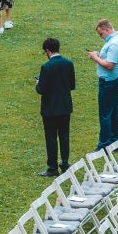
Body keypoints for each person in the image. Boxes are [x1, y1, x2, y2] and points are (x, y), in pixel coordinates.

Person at [35, 36, 76, 176]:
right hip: (65, 106)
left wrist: (38, 83)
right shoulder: (68, 63)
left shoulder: (46, 67)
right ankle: (65, 163)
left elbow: (41, 90)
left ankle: (52, 167)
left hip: (50, 108)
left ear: (48, 50)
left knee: (51, 138)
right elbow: (71, 85)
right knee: (64, 136)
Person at [87, 18, 118, 148]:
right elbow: (110, 59)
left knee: (105, 114)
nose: (101, 37)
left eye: (101, 33)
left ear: (107, 29)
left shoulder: (114, 43)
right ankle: (114, 140)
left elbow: (110, 65)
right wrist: (99, 55)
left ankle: (104, 145)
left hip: (109, 82)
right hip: (115, 79)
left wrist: (95, 58)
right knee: (113, 110)